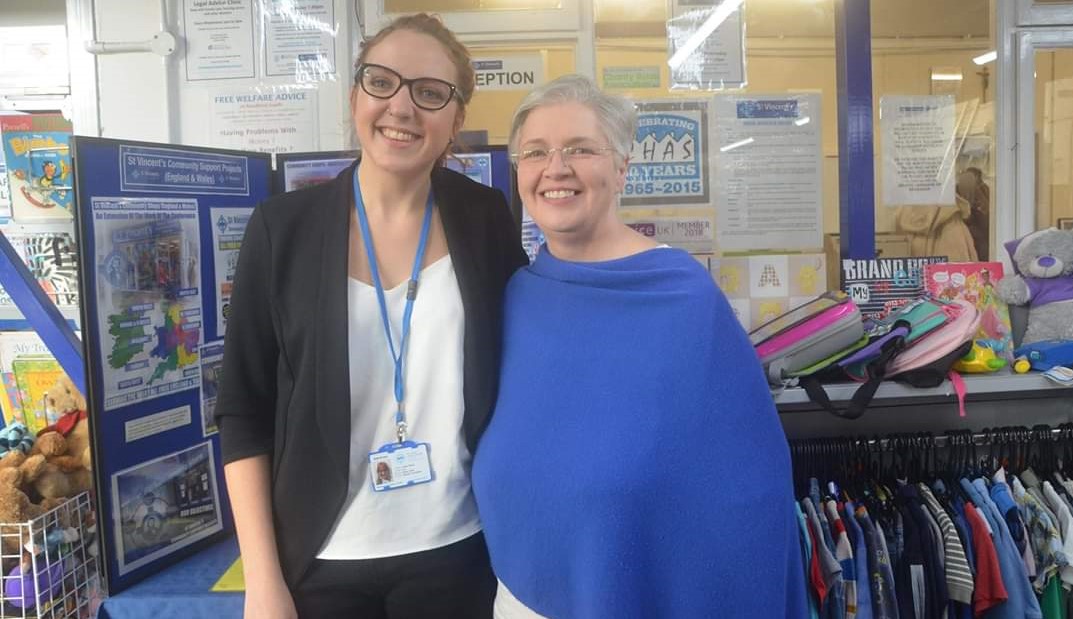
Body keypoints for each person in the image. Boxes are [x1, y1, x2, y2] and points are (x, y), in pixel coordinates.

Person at [216, 13, 527, 619]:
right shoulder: (284, 229)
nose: (402, 107)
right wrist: (262, 579)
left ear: (456, 118)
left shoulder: (485, 217)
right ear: (357, 93)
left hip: (457, 550)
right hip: (321, 559)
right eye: (382, 81)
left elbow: (526, 361)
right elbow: (243, 410)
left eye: (430, 92)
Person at [471, 75, 807, 618]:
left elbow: (744, 484)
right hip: (520, 592)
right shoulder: (517, 292)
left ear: (622, 165)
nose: (556, 168)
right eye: (535, 152)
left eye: (580, 149)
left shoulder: (682, 297)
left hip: (635, 597)